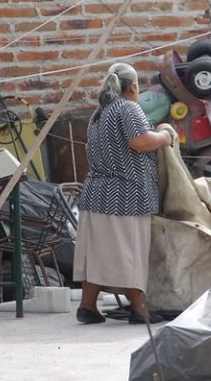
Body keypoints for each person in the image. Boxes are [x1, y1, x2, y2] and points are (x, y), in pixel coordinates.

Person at [73, 63, 176, 324]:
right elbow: (140, 141)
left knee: (96, 254)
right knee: (131, 252)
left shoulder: (99, 113)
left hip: (96, 194)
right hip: (127, 195)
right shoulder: (128, 108)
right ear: (133, 87)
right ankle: (139, 309)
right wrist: (165, 136)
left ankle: (88, 306)